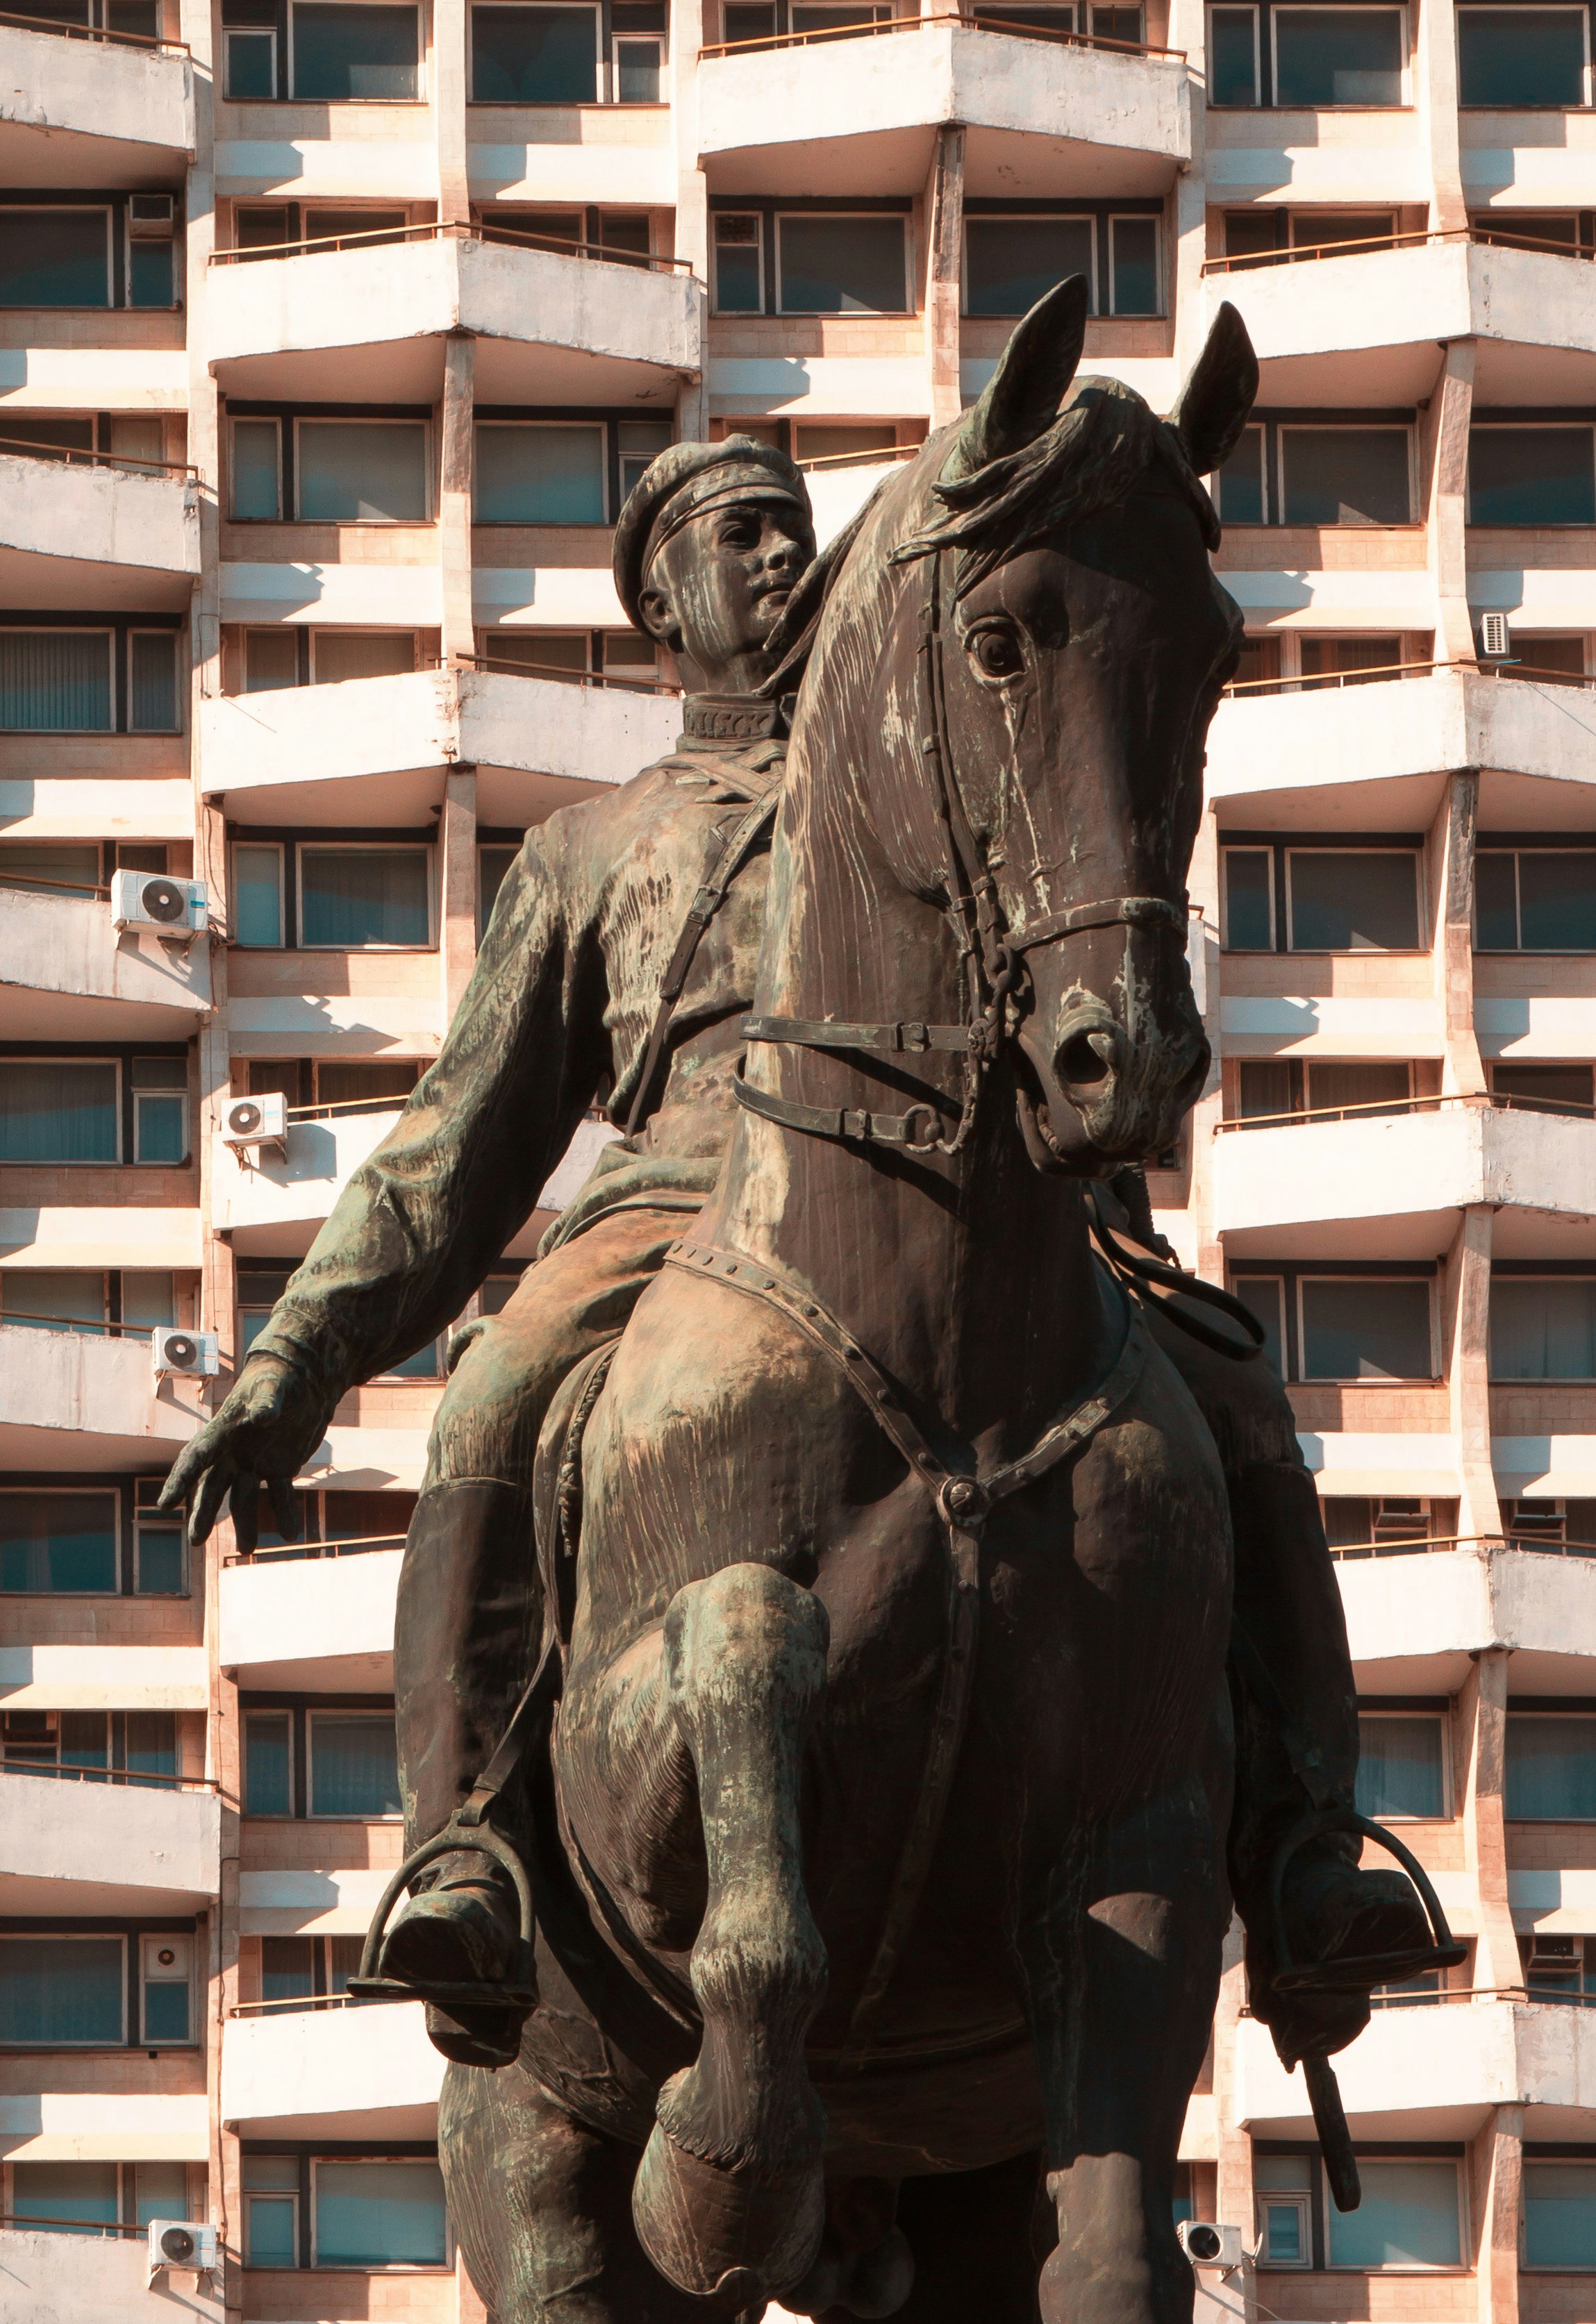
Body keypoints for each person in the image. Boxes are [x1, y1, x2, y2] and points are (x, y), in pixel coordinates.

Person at [164, 435, 1438, 2073]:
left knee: (1231, 1392)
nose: (781, 558)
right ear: (661, 601)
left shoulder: (936, 752)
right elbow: (452, 1146)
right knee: (491, 1398)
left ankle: (1303, 1841)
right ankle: (465, 1844)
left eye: (793, 532)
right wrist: (299, 1357)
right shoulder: (597, 845)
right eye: (742, 536)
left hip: (1001, 1211)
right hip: (682, 1205)